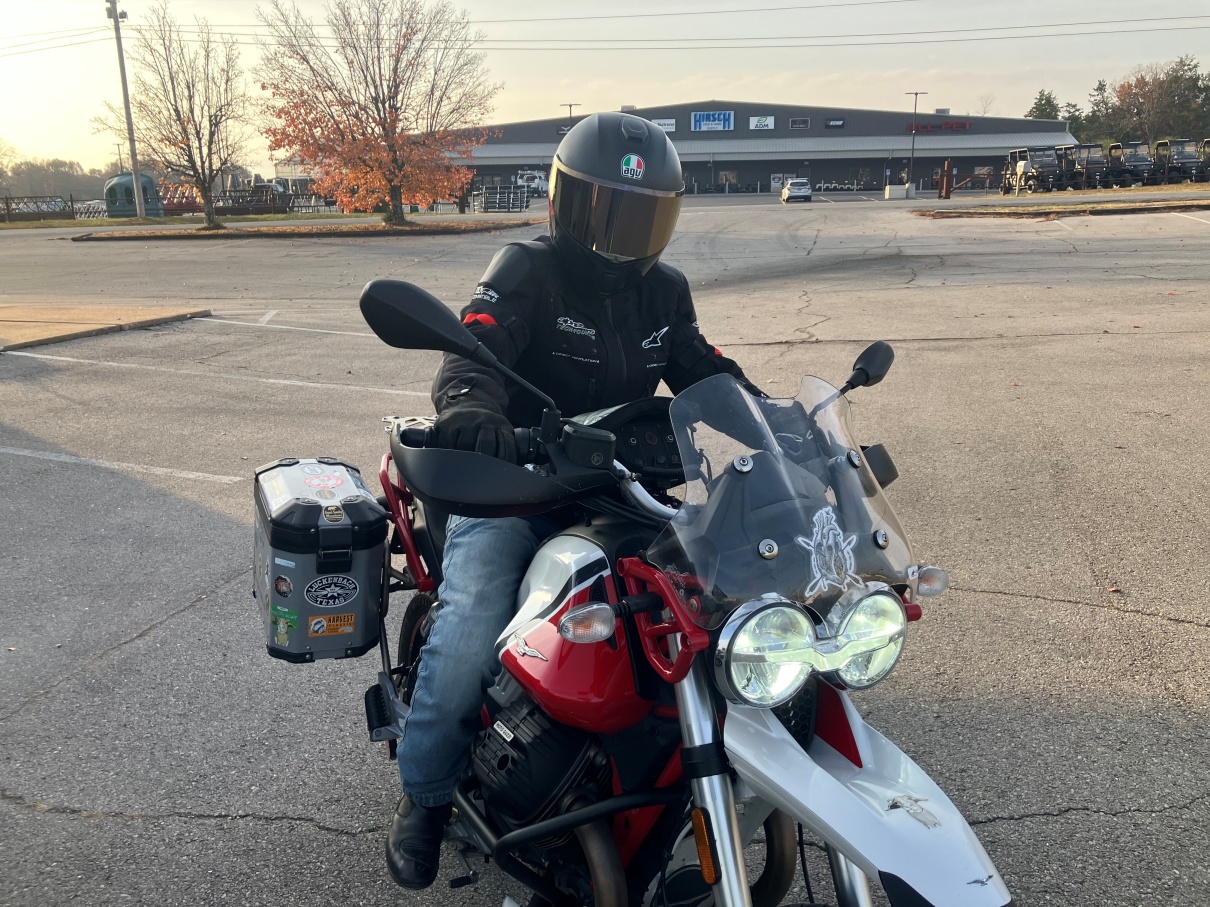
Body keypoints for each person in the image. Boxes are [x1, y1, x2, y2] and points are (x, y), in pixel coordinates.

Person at [385, 111, 762, 890]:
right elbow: (473, 345)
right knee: (472, 622)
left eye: (644, 217)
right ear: (565, 203)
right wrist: (474, 408)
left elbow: (703, 368)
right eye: (608, 213)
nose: (624, 237)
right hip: (517, 487)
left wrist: (770, 419)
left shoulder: (665, 291)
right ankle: (424, 793)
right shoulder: (527, 269)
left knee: (702, 608)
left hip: (621, 486)